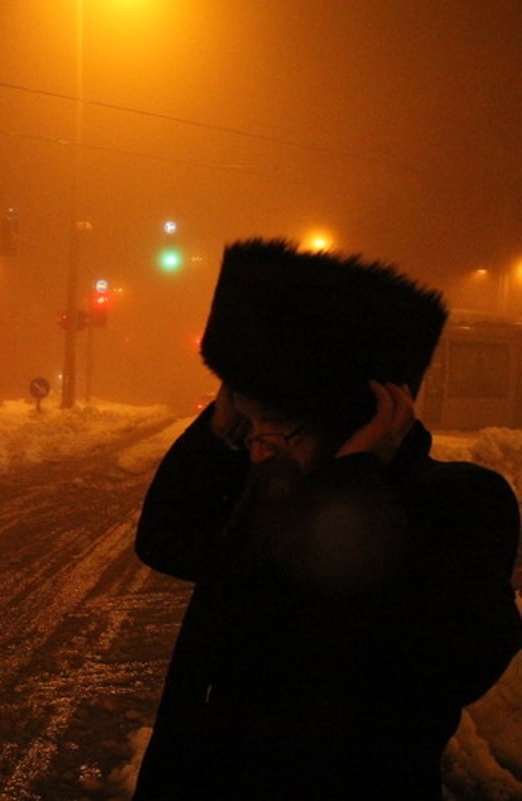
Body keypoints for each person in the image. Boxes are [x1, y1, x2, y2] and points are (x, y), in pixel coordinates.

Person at [132, 238, 521, 801]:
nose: (259, 449)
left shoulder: (456, 503)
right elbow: (167, 539)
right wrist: (222, 427)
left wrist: (351, 483)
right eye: (249, 426)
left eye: (278, 427)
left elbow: (454, 660)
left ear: (356, 417)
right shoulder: (268, 491)